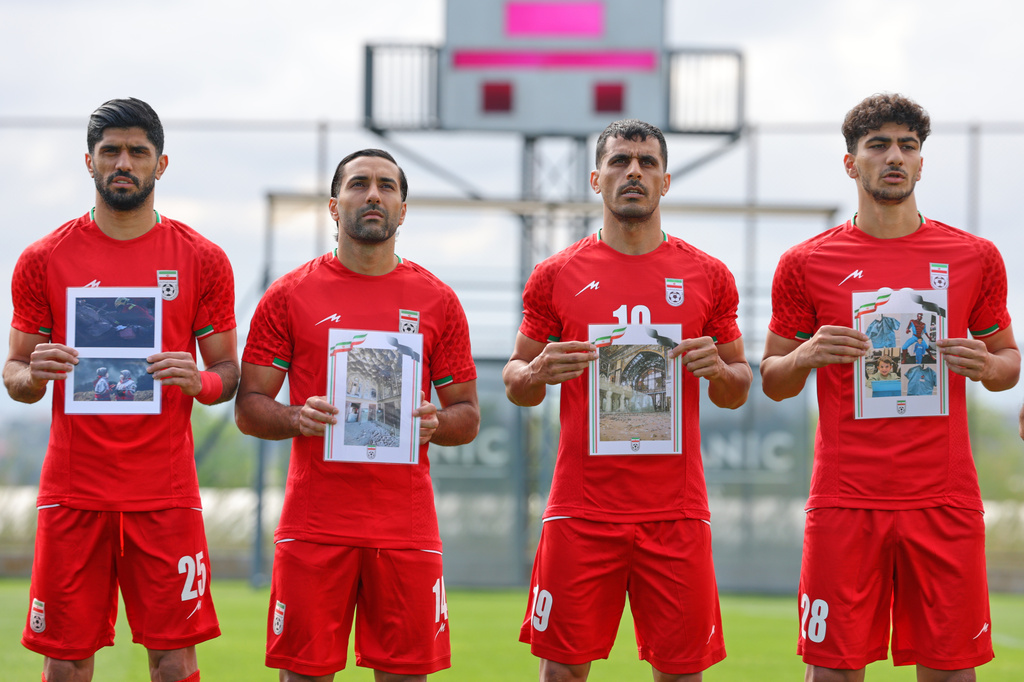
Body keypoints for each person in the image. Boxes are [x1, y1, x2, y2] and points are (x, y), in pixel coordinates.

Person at [761, 93, 1019, 682]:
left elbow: (1008, 363)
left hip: (942, 497)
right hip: (846, 499)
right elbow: (772, 381)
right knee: (832, 671)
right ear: (851, 164)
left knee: (951, 670)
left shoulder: (974, 257)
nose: (894, 156)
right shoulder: (805, 263)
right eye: (878, 145)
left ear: (922, 163)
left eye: (908, 145)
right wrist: (806, 354)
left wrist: (985, 363)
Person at [503, 119, 751, 682]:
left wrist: (719, 371)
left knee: (681, 671)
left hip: (675, 511)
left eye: (647, 162)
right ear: (596, 178)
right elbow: (517, 380)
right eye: (619, 161)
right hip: (582, 508)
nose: (633, 172)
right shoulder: (555, 275)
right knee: (563, 670)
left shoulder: (708, 275)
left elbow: (737, 388)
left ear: (666, 182)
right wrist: (538, 369)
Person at [3, 98, 239, 682]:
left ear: (161, 164)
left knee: (173, 661)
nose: (124, 162)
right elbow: (14, 373)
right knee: (66, 661)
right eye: (111, 151)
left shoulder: (202, 259)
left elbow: (229, 374)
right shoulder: (43, 259)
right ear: (89, 162)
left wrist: (199, 380)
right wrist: (35, 374)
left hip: (165, 494)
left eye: (138, 151)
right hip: (74, 491)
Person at [234, 148, 480, 682]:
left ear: (403, 208)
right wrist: (297, 417)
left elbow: (467, 415)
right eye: (360, 184)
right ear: (333, 204)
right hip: (315, 524)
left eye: (388, 186)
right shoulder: (289, 296)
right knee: (303, 675)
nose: (374, 195)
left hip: (405, 527)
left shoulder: (438, 301)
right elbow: (249, 408)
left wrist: (436, 422)